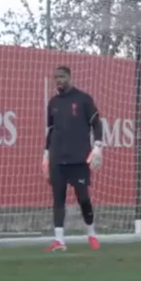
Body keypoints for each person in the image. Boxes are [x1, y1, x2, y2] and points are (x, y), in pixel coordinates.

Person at [44, 65, 105, 251]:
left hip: (79, 159)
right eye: (56, 78)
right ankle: (59, 240)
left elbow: (97, 124)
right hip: (57, 158)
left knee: (83, 198)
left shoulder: (83, 99)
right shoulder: (53, 103)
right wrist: (45, 154)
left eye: (62, 77)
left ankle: (91, 234)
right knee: (58, 199)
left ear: (70, 77)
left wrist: (98, 146)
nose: (59, 81)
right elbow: (51, 130)